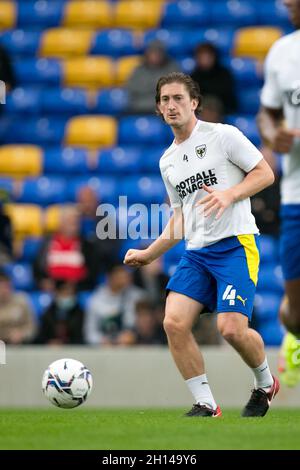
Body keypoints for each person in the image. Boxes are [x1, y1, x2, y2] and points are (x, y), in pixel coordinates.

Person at [124, 72, 278, 418]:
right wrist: (150, 253)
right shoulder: (168, 161)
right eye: (164, 100)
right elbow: (181, 218)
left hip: (235, 244)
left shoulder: (223, 135)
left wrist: (230, 193)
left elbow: (265, 173)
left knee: (231, 329)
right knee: (173, 323)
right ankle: (206, 403)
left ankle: (265, 383)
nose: (171, 105)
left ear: (194, 103)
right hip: (197, 253)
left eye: (178, 98)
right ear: (158, 110)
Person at [257, 0, 300, 387]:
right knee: (297, 316)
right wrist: (273, 135)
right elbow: (266, 113)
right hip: (295, 196)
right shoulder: (282, 51)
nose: (287, 2)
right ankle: (294, 334)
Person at [84, 264, 146, 346]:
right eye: (120, 276)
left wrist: (133, 334)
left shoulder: (137, 296)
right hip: (104, 347)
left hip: (133, 344)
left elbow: (145, 321)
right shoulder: (96, 300)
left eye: (126, 276)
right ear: (110, 278)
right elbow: (90, 333)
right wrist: (103, 341)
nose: (124, 279)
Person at [125, 39, 179, 115]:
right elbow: (131, 89)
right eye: (153, 52)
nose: (156, 55)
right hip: (139, 106)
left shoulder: (172, 69)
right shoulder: (139, 70)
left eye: (158, 52)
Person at [191, 43, 237, 115]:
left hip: (223, 109)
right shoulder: (193, 76)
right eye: (201, 57)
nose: (205, 60)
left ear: (214, 57)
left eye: (208, 57)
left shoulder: (224, 74)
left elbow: (227, 95)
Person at [35, 280, 84, 345]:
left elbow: (81, 338)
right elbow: (41, 337)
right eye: (64, 293)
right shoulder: (48, 313)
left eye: (70, 294)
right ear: (57, 293)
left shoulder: (79, 313)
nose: (67, 297)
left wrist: (65, 343)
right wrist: (49, 342)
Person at [0, 269, 36, 344]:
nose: (4, 290)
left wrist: (22, 334)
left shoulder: (22, 301)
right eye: (1, 287)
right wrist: (6, 335)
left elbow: (32, 327)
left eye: (7, 286)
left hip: (20, 344)